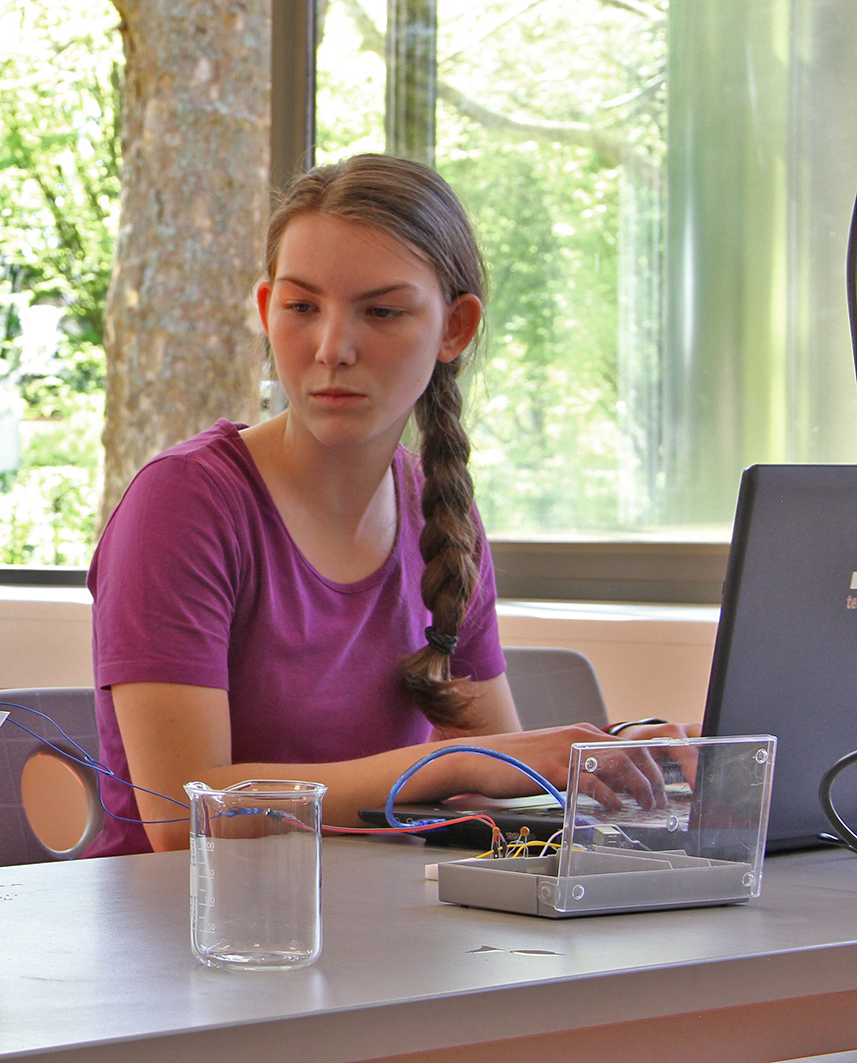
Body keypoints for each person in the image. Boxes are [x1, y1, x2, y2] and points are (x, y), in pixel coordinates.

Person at [87, 154, 687, 856]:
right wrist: (450, 764)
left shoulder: (441, 515)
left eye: (381, 311)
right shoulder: (184, 503)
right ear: (267, 309)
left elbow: (497, 781)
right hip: (183, 920)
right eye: (301, 307)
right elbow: (181, 816)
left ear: (455, 328)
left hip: (372, 912)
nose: (332, 348)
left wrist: (614, 755)